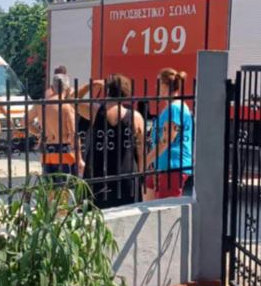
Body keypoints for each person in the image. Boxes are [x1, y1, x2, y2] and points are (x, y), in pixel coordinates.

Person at [83, 74, 144, 208]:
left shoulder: (95, 110)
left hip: (99, 173)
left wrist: (92, 85)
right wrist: (140, 175)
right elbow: (140, 151)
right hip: (127, 172)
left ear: (108, 90)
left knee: (96, 215)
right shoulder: (136, 117)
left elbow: (70, 99)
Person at [146, 68, 193, 198]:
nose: (156, 87)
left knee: (165, 206)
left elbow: (166, 141)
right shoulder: (173, 107)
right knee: (149, 197)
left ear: (166, 86)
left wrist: (145, 161)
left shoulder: (175, 108)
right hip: (163, 166)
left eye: (159, 83)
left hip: (172, 167)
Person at [28, 73, 82, 179]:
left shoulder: (40, 104)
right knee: (65, 185)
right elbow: (73, 134)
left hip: (47, 150)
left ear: (52, 88)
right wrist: (79, 158)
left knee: (49, 185)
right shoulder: (67, 106)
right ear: (67, 89)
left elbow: (25, 121)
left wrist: (39, 133)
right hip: (63, 149)